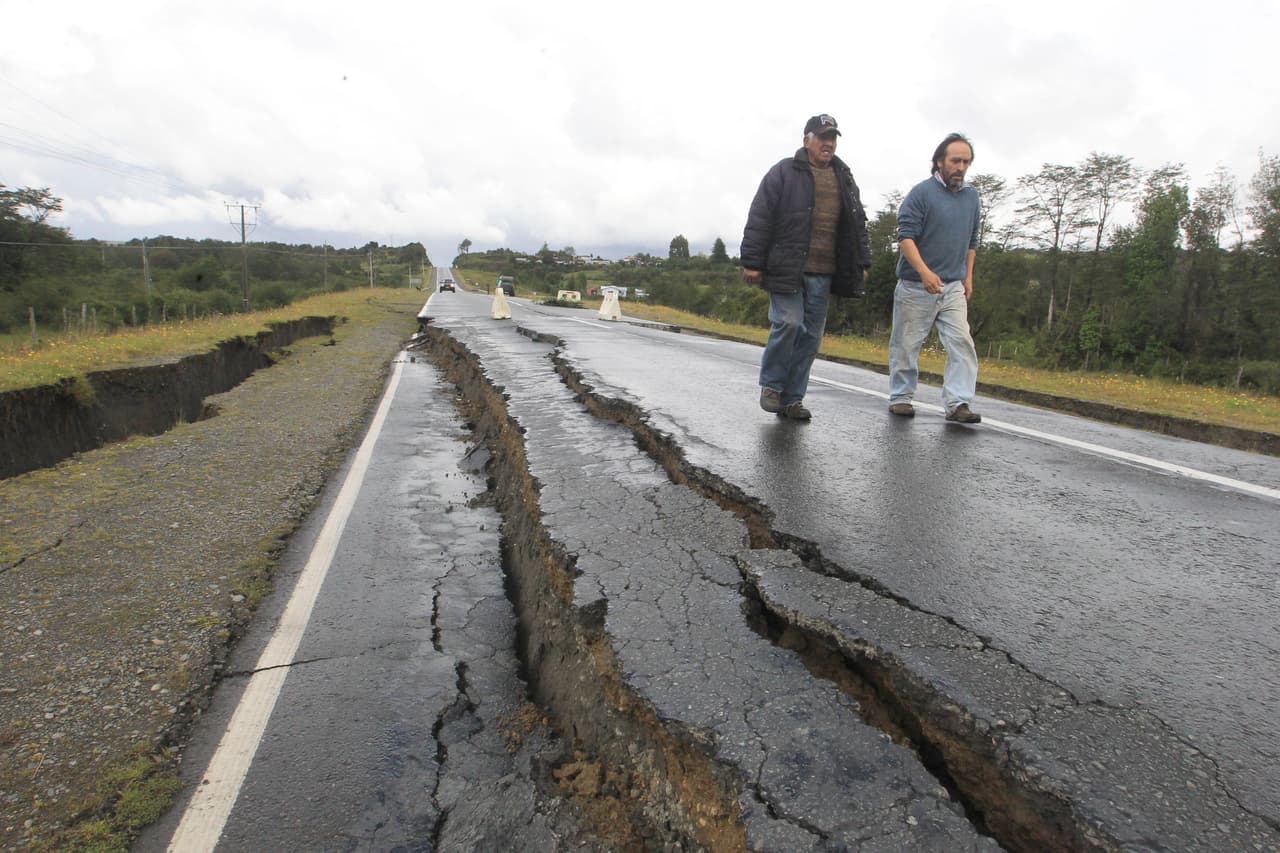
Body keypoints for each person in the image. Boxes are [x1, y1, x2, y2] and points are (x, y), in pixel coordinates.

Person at [740, 114, 871, 421]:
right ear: (806, 140)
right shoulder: (784, 172)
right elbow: (760, 216)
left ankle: (792, 399)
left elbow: (857, 223)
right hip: (786, 266)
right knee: (788, 323)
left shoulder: (844, 176)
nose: (829, 144)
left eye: (833, 138)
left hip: (825, 272)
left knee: (811, 336)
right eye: (823, 137)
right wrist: (752, 262)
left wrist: (862, 261)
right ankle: (772, 386)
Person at [888, 132, 983, 423]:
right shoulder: (921, 193)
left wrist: (968, 277)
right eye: (955, 160)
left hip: (953, 285)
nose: (961, 167)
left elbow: (972, 241)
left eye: (966, 161)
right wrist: (924, 272)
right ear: (939, 161)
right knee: (906, 343)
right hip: (917, 285)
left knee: (962, 342)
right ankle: (901, 397)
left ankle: (958, 403)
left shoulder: (971, 197)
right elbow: (905, 237)